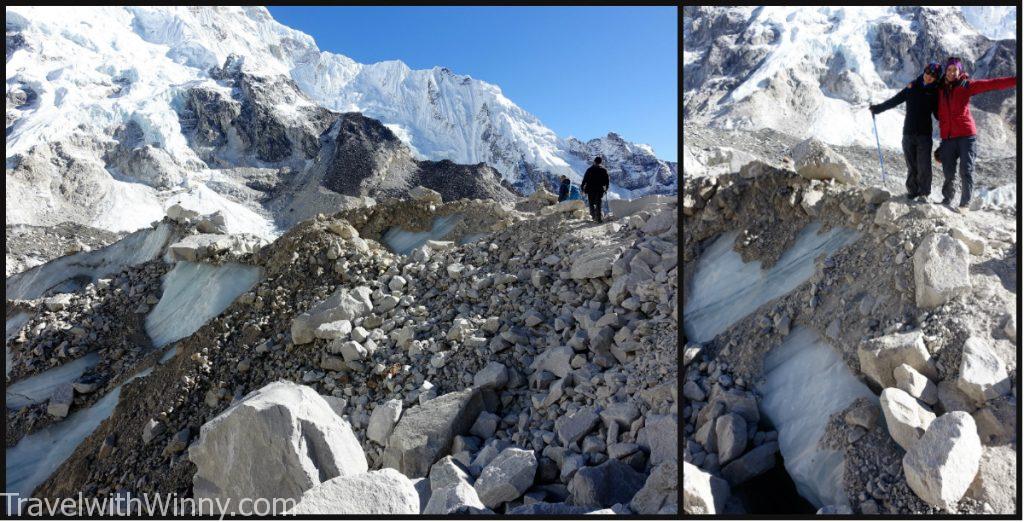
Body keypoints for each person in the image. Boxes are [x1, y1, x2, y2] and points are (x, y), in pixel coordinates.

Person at [934, 56, 1017, 213]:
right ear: (945, 72)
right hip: (948, 138)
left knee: (966, 169)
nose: (952, 73)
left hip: (966, 136)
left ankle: (964, 204)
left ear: (960, 71)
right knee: (948, 171)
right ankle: (947, 199)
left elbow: (993, 84)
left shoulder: (966, 86)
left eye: (955, 70)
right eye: (949, 70)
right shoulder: (940, 89)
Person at [870, 63, 941, 202]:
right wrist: (878, 108)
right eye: (928, 72)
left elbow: (938, 114)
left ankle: (924, 194)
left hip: (924, 135)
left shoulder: (935, 92)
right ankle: (912, 192)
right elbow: (896, 100)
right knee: (911, 165)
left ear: (936, 78)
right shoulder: (912, 86)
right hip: (908, 133)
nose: (929, 76)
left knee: (924, 165)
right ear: (924, 71)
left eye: (933, 75)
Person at [580, 157, 609, 223]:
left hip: (590, 189)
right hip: (599, 190)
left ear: (594, 161)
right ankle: (599, 219)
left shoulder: (589, 170)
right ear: (600, 162)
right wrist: (606, 188)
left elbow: (585, 179)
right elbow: (607, 181)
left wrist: (582, 187)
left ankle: (593, 217)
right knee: (598, 203)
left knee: (591, 203)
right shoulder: (604, 170)